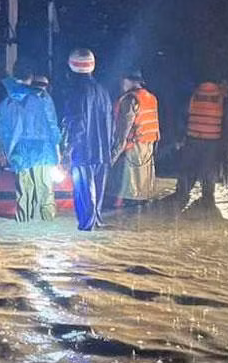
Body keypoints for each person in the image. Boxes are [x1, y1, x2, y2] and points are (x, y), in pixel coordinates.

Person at [0, 59, 62, 222]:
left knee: (23, 196)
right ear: (31, 78)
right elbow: (52, 126)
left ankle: (23, 232)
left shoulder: (6, 101)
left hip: (19, 152)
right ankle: (48, 231)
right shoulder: (42, 98)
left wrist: (0, 151)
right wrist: (58, 151)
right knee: (46, 194)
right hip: (42, 151)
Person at [61, 48, 112, 231]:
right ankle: (96, 237)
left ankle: (85, 245)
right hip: (102, 153)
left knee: (85, 204)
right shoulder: (103, 91)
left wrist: (68, 151)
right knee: (96, 204)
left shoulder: (76, 93)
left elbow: (77, 125)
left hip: (84, 153)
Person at [176, 79, 228, 209]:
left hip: (193, 136)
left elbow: (184, 114)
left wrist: (181, 136)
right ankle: (207, 196)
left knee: (188, 167)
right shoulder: (221, 96)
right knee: (208, 169)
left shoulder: (195, 93)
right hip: (213, 139)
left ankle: (183, 192)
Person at [110, 70, 160, 206]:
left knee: (128, 188)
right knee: (143, 188)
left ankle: (126, 206)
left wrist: (112, 157)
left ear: (130, 81)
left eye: (123, 81)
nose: (121, 84)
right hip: (148, 146)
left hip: (132, 149)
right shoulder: (151, 98)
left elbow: (123, 131)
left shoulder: (130, 99)